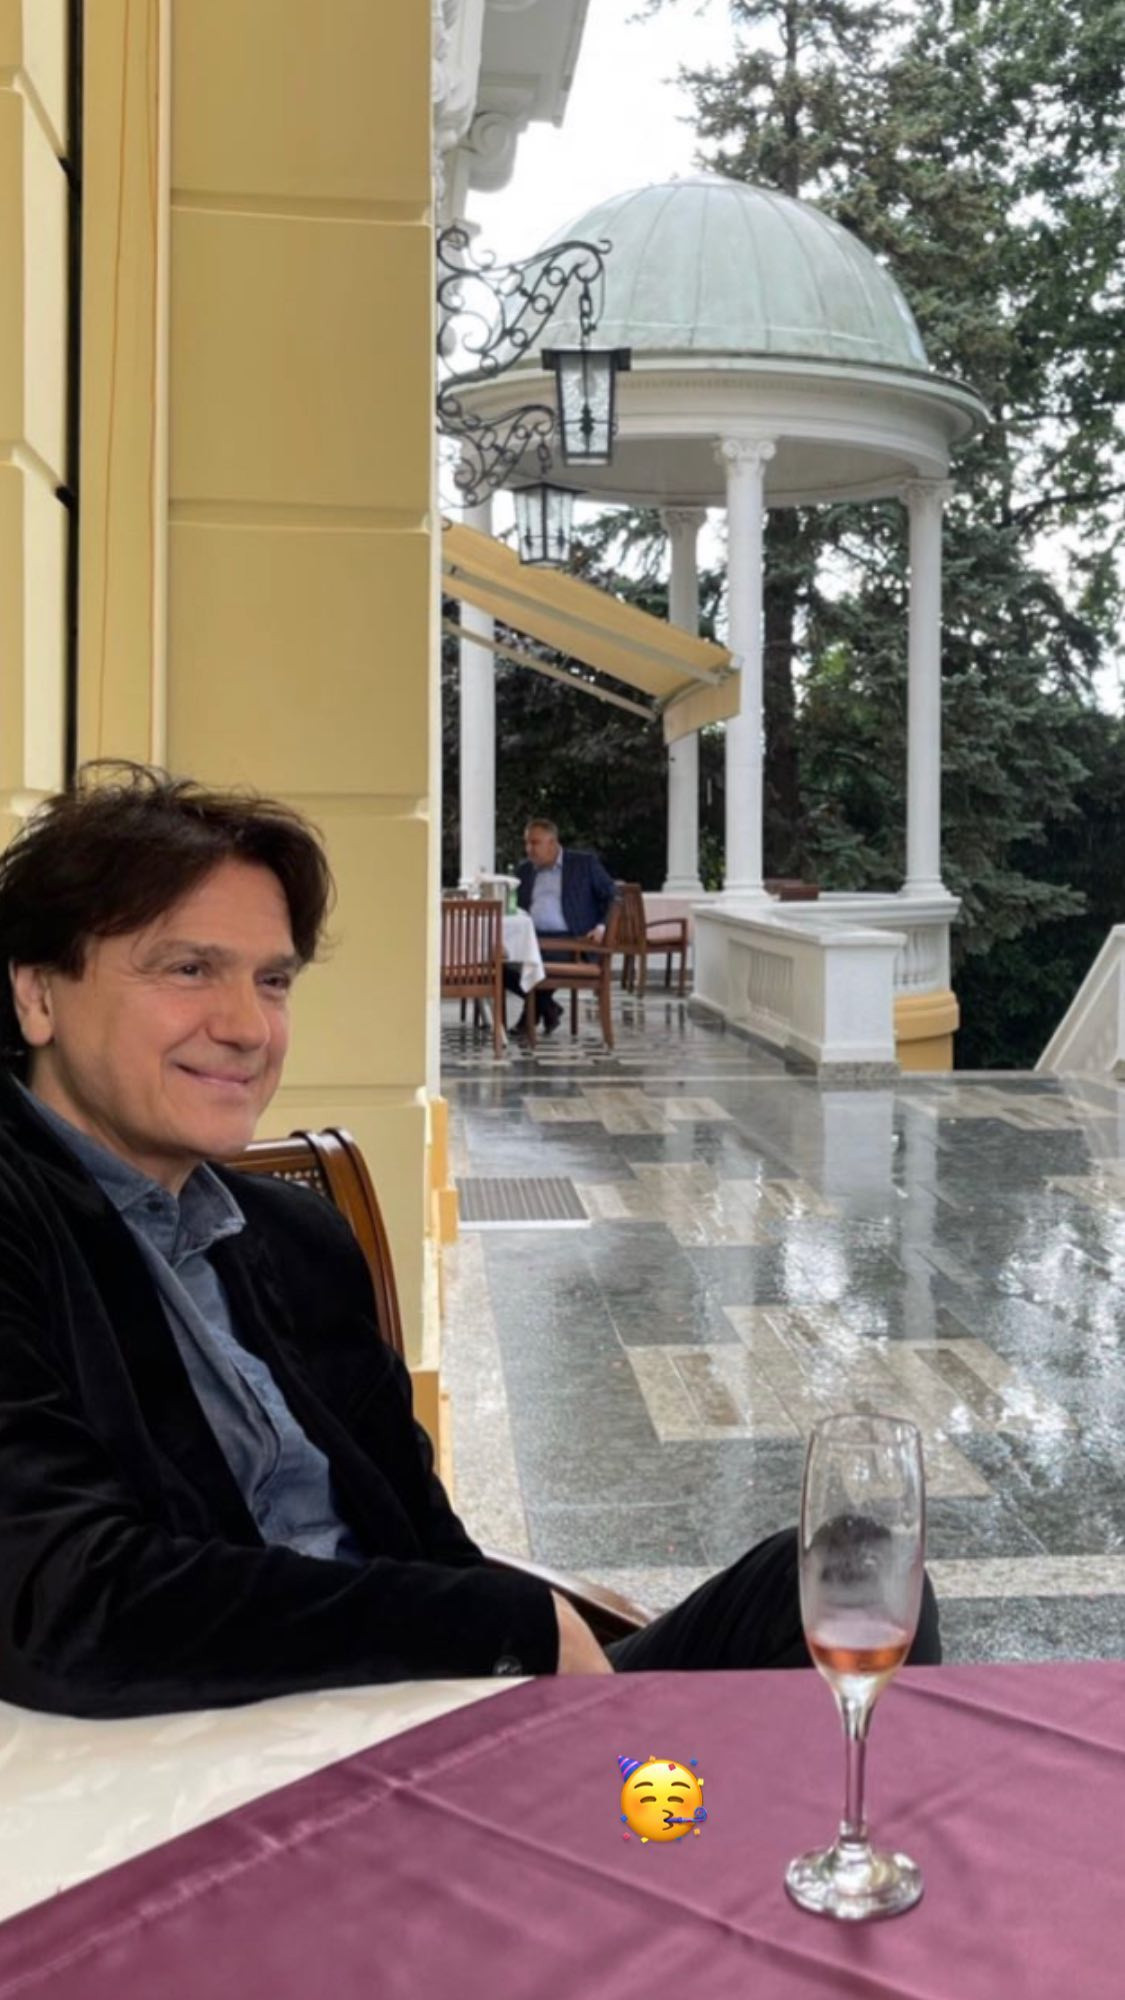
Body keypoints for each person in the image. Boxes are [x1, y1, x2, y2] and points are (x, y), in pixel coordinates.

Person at [0, 765, 940, 1719]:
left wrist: (518, 1672)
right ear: (37, 994)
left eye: (271, 981)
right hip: (224, 1747)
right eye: (187, 969)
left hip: (433, 1715)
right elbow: (63, 1598)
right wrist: (505, 1629)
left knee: (847, 1574)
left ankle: (802, 1817)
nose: (247, 1027)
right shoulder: (22, 1221)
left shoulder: (292, 1239)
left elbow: (424, 1539)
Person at [505, 818, 617, 1034]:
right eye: (526, 843)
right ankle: (548, 1008)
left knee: (537, 961)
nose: (529, 849)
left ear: (552, 843)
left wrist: (602, 927)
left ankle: (528, 1020)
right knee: (498, 965)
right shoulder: (525, 870)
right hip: (533, 939)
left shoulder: (583, 864)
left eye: (535, 843)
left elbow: (613, 896)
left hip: (573, 941)